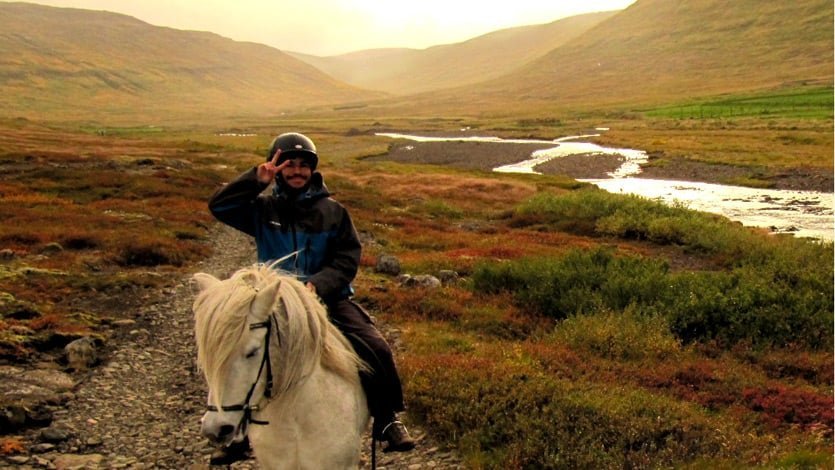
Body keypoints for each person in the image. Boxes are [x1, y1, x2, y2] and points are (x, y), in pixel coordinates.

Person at [207, 132, 415, 464]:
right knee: (240, 352)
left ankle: (387, 418)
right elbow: (219, 206)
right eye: (289, 165)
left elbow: (347, 257)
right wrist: (255, 179)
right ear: (277, 167)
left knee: (375, 346)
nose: (297, 171)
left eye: (304, 166)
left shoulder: (333, 212)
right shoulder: (262, 209)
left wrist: (319, 285)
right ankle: (239, 430)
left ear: (313, 170)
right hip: (273, 302)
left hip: (325, 298)